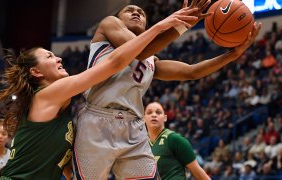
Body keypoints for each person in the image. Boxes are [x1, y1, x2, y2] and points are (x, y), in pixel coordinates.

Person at [0, 10, 194, 179]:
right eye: (49, 56)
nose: (58, 59)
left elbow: (60, 161)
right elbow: (114, 63)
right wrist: (162, 25)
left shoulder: (62, 111)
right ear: (36, 72)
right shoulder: (49, 95)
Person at [73, 0, 262, 179]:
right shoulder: (109, 24)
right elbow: (141, 51)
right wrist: (180, 25)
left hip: (133, 127)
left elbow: (192, 72)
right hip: (97, 120)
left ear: (147, 26)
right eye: (129, 10)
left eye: (141, 12)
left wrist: (232, 55)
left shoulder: (151, 60)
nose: (136, 12)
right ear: (119, 18)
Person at [144, 101, 210, 180]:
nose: (154, 115)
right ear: (143, 118)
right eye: (149, 112)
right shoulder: (141, 145)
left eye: (158, 112)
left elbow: (200, 175)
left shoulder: (175, 139)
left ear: (165, 118)